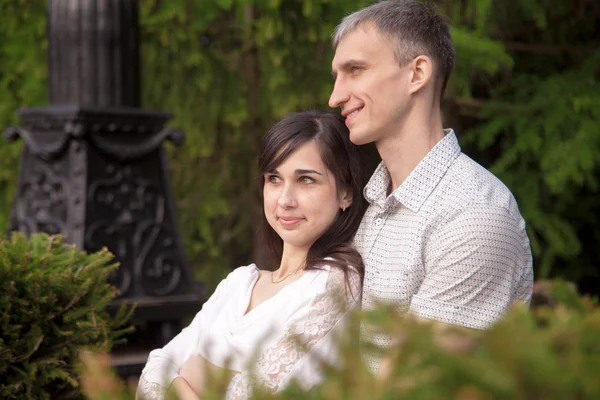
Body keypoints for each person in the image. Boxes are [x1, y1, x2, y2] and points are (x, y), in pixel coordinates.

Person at [328, 0, 534, 375]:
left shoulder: (475, 216)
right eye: (337, 76)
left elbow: (413, 382)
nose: (335, 97)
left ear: (417, 73)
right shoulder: (373, 205)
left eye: (355, 70)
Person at [136, 110, 369, 400]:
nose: (285, 200)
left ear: (346, 192)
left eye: (306, 180)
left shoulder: (334, 285)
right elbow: (153, 371)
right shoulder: (237, 284)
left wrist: (192, 371)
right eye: (274, 179)